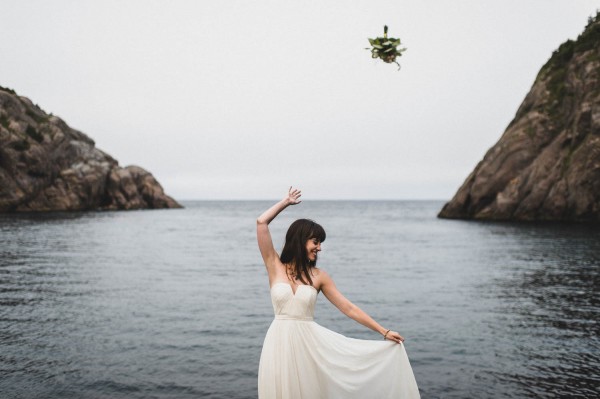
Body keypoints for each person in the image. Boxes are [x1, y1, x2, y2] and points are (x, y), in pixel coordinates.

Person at [256, 187, 420, 399]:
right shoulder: (274, 265)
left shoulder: (319, 276)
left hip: (308, 346)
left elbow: (349, 308)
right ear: (301, 240)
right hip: (278, 343)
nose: (320, 248)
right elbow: (261, 223)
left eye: (320, 243)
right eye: (316, 242)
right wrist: (285, 202)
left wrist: (384, 331)